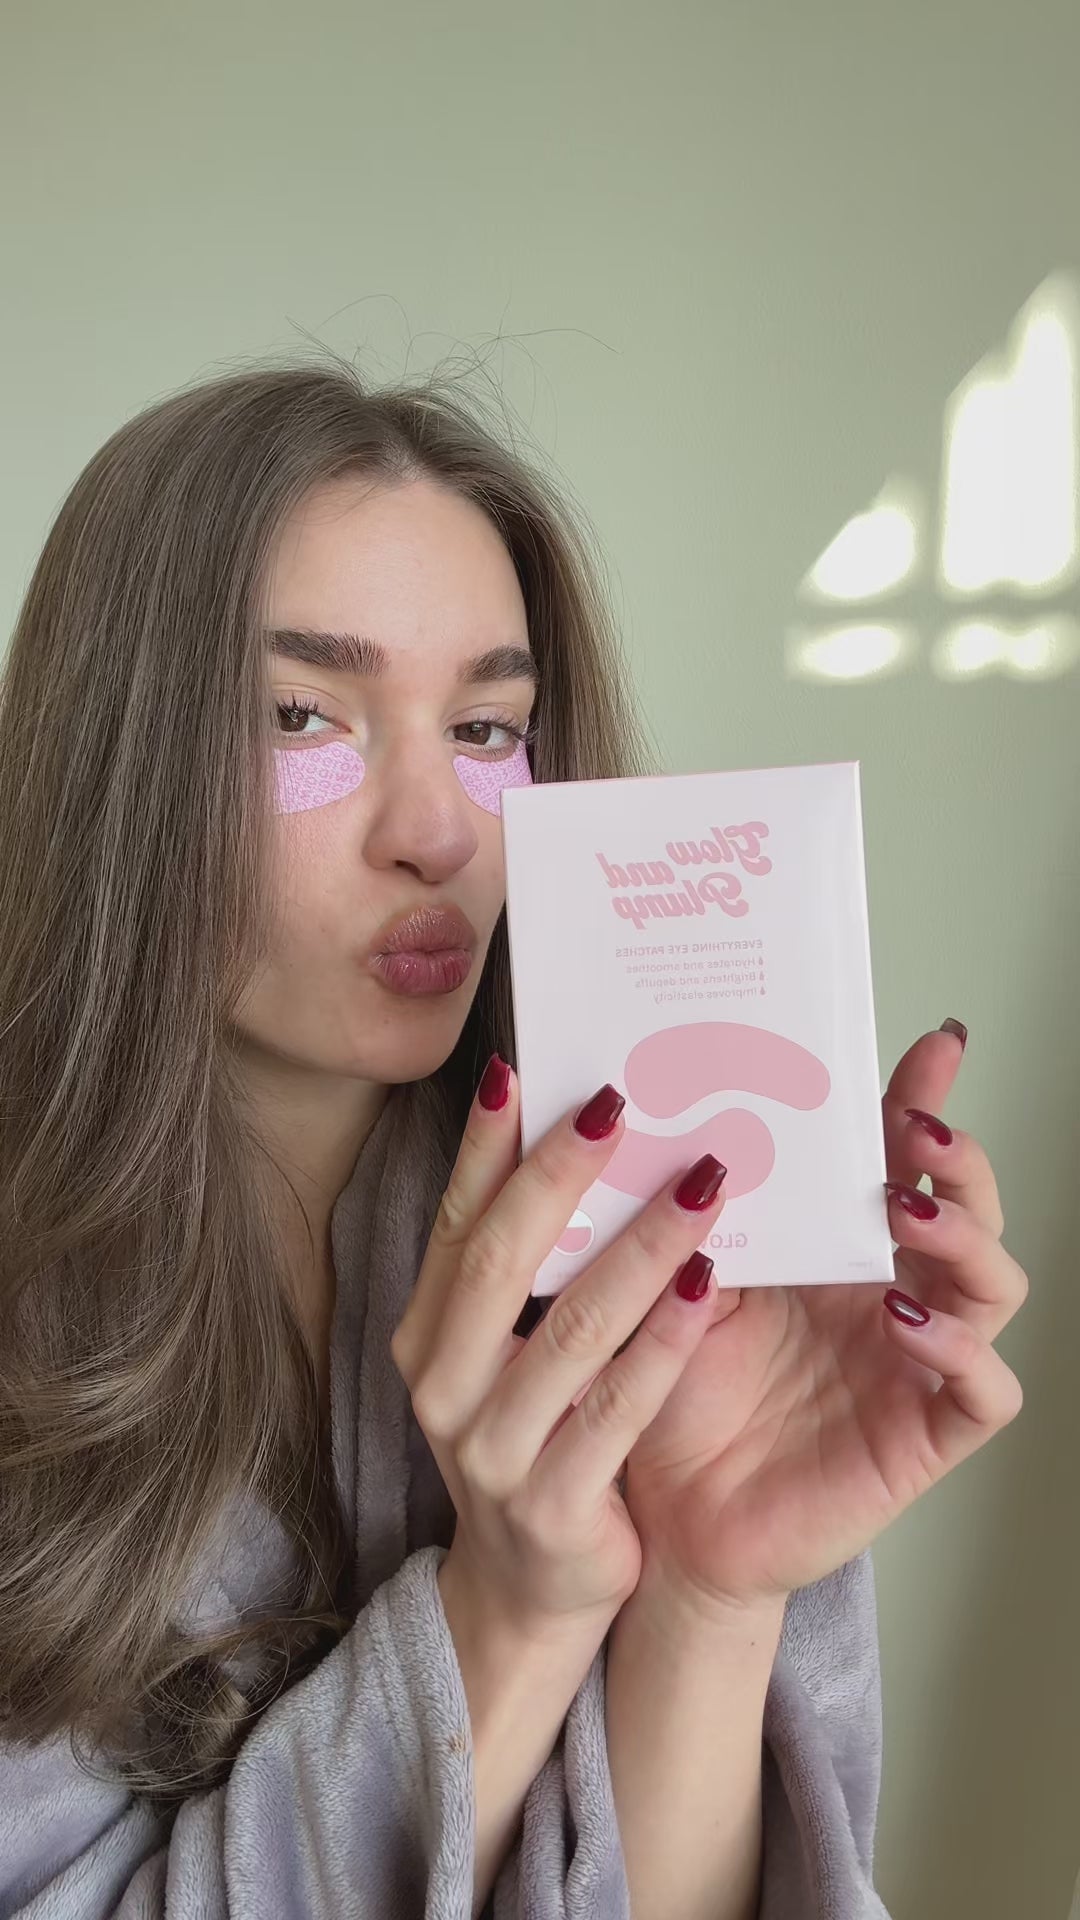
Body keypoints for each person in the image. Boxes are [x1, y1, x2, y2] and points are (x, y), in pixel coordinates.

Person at [0, 360, 1027, 1920]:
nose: (439, 829)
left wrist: (710, 1591)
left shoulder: (657, 1274)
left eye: (488, 726)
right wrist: (512, 1616)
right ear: (116, 752)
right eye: (302, 716)